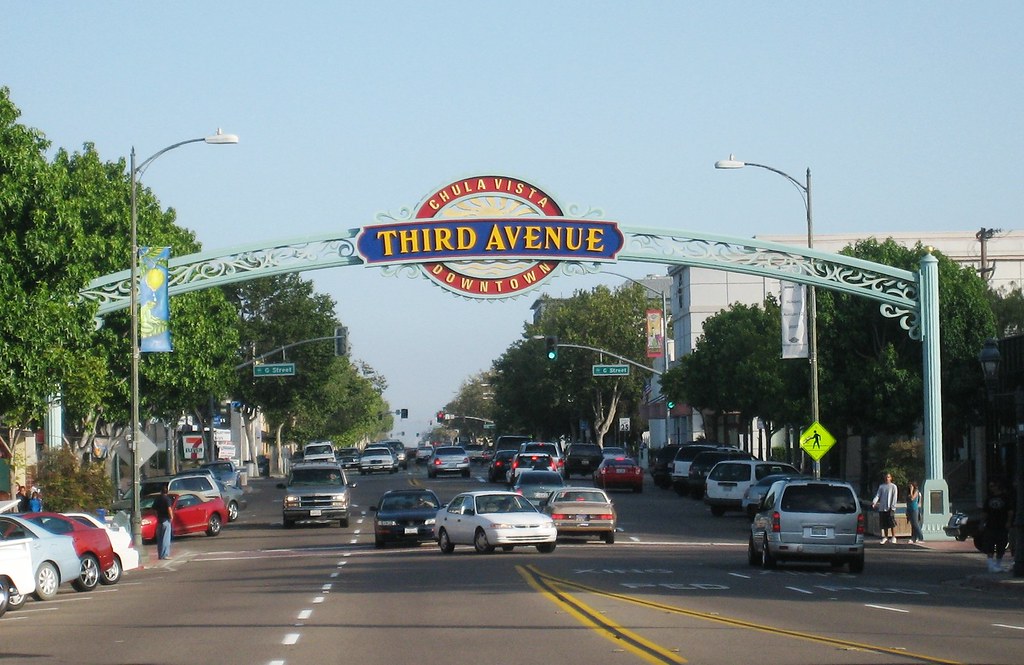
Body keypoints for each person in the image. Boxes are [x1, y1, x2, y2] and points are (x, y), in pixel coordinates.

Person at [980, 479, 1014, 573]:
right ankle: (991, 565)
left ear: (997, 486)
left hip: (1002, 525)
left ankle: (998, 564)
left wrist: (1008, 522)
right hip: (990, 525)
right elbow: (985, 512)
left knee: (1001, 544)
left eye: (992, 486)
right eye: (990, 486)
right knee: (990, 544)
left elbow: (1010, 511)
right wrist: (982, 523)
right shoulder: (989, 498)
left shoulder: (1005, 498)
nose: (991, 488)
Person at [871, 472, 898, 544]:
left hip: (890, 507)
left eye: (888, 477)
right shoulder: (881, 486)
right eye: (886, 477)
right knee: (884, 523)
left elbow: (895, 497)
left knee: (892, 522)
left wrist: (893, 506)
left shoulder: (893, 486)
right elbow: (878, 495)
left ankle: (893, 537)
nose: (887, 478)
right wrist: (874, 502)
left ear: (891, 478)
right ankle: (885, 537)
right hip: (882, 507)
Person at [153, 486, 174, 560]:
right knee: (166, 538)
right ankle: (165, 554)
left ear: (161, 491)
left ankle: (160, 555)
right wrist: (171, 517)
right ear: (167, 492)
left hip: (159, 520)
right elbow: (169, 509)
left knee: (160, 539)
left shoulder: (157, 499)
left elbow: (154, 510)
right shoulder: (167, 499)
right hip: (166, 520)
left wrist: (157, 516)